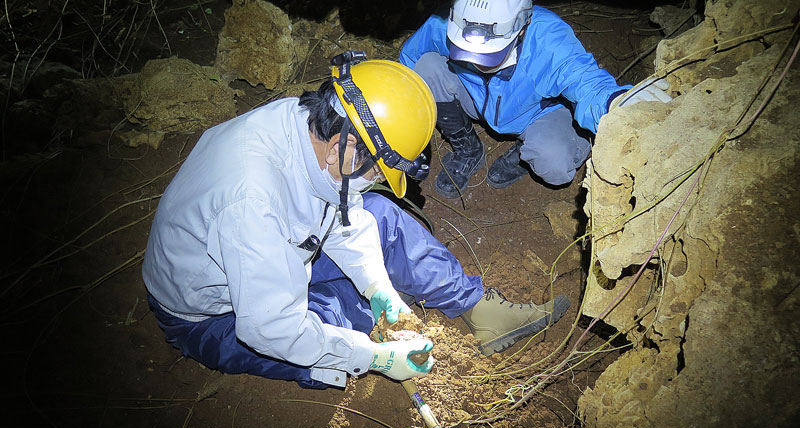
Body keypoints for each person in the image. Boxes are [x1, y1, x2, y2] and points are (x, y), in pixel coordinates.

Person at [142, 52, 570, 390]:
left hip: (265, 249)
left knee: (381, 216)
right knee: (339, 326)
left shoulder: (313, 124)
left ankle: (478, 308)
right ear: (342, 148)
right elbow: (272, 327)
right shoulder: (253, 203)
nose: (375, 181)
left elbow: (339, 211)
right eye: (375, 173)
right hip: (215, 315)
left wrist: (379, 288)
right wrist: (374, 357)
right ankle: (359, 326)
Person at [399, 0, 672, 198]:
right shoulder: (445, 22)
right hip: (476, 97)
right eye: (466, 53)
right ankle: (468, 148)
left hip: (536, 112)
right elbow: (408, 60)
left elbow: (587, 81)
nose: (479, 64)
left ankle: (525, 151)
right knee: (425, 67)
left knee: (555, 165)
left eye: (490, 56)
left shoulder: (550, 40)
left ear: (522, 26)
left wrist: (618, 104)